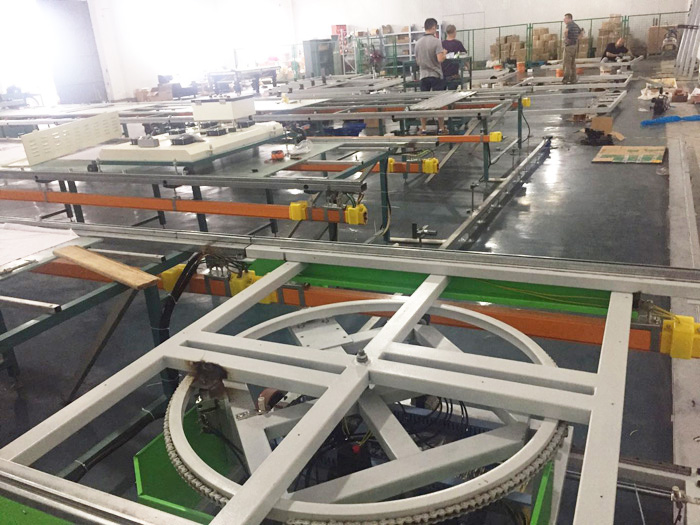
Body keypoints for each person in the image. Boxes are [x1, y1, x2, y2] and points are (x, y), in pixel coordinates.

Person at [415, 17, 447, 133]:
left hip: (423, 75)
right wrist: (444, 53)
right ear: (433, 27)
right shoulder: (436, 41)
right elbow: (440, 59)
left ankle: (423, 128)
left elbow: (417, 61)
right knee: (439, 102)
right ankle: (441, 127)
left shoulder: (418, 43)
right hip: (435, 75)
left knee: (423, 103)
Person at [442, 24, 467, 89]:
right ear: (454, 32)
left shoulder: (441, 44)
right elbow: (464, 56)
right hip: (454, 74)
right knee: (452, 92)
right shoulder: (458, 43)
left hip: (443, 74)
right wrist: (468, 67)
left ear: (446, 33)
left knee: (441, 93)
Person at [563, 13, 583, 84]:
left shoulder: (569, 25)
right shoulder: (575, 25)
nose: (564, 20)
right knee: (573, 63)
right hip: (574, 46)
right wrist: (576, 39)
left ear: (569, 18)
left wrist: (566, 38)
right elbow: (581, 33)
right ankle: (573, 79)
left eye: (565, 18)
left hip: (569, 46)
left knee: (567, 63)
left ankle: (566, 79)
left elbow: (566, 31)